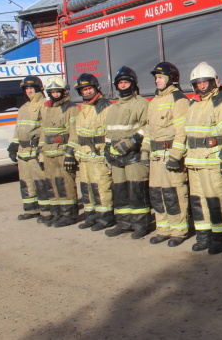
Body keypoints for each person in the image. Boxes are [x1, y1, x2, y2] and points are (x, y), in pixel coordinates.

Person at [185, 62, 222, 254]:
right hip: (195, 162)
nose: (201, 86)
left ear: (213, 81)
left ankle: (221, 238)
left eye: (205, 82)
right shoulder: (193, 104)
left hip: (214, 162)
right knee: (198, 202)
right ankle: (204, 236)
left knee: (218, 201)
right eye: (198, 83)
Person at [144, 62, 191, 247]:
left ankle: (179, 231)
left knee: (174, 194)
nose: (157, 80)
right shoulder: (154, 101)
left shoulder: (179, 100)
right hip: (155, 156)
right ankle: (163, 229)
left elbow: (182, 131)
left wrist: (175, 156)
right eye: (156, 77)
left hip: (169, 155)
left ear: (171, 78)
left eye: (160, 77)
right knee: (157, 194)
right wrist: (144, 151)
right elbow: (148, 129)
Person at [103, 66, 150, 239]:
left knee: (136, 189)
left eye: (126, 82)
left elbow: (147, 126)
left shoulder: (142, 104)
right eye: (120, 83)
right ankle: (123, 223)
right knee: (120, 190)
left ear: (133, 84)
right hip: (116, 156)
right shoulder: (113, 109)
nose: (123, 86)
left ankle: (140, 224)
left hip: (134, 156)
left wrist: (132, 142)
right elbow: (109, 132)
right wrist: (107, 151)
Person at [67, 73, 113, 231]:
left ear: (96, 88)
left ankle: (105, 218)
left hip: (98, 155)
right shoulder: (84, 108)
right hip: (84, 156)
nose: (86, 92)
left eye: (89, 89)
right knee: (87, 188)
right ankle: (91, 216)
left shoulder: (104, 106)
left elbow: (110, 131)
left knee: (101, 188)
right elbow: (77, 132)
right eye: (83, 90)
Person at [38, 76, 79, 227]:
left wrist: (70, 153)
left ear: (63, 91)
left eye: (58, 91)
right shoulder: (47, 108)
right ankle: (57, 213)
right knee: (51, 183)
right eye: (52, 92)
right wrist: (40, 150)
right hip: (49, 153)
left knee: (65, 184)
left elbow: (74, 132)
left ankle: (69, 215)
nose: (55, 94)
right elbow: (44, 131)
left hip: (62, 153)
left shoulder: (71, 108)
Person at [8, 76, 48, 221]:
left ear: (38, 88)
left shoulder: (44, 105)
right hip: (23, 151)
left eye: (31, 88)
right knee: (26, 181)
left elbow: (46, 128)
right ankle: (31, 209)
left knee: (40, 181)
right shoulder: (23, 108)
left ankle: (46, 211)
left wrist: (42, 148)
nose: (29, 90)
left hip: (35, 150)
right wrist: (13, 145)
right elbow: (18, 128)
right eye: (26, 88)